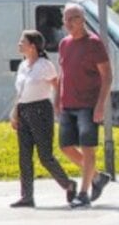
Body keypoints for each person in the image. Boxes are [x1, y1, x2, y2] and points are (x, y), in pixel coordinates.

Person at [9, 29, 78, 208]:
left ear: (32, 46)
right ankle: (26, 196)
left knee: (45, 156)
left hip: (40, 110)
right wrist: (15, 112)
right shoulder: (23, 65)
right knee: (24, 157)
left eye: (22, 41)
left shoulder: (44, 65)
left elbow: (56, 86)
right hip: (24, 110)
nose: (19, 44)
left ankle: (68, 184)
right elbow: (20, 92)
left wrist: (57, 106)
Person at [56, 2, 113, 208]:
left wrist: (100, 105)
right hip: (68, 104)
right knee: (65, 147)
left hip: (88, 105)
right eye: (66, 19)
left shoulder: (94, 44)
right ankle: (97, 177)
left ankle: (84, 193)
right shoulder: (64, 44)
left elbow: (107, 76)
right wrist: (57, 100)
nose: (68, 23)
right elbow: (63, 74)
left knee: (88, 148)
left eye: (73, 18)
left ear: (82, 20)